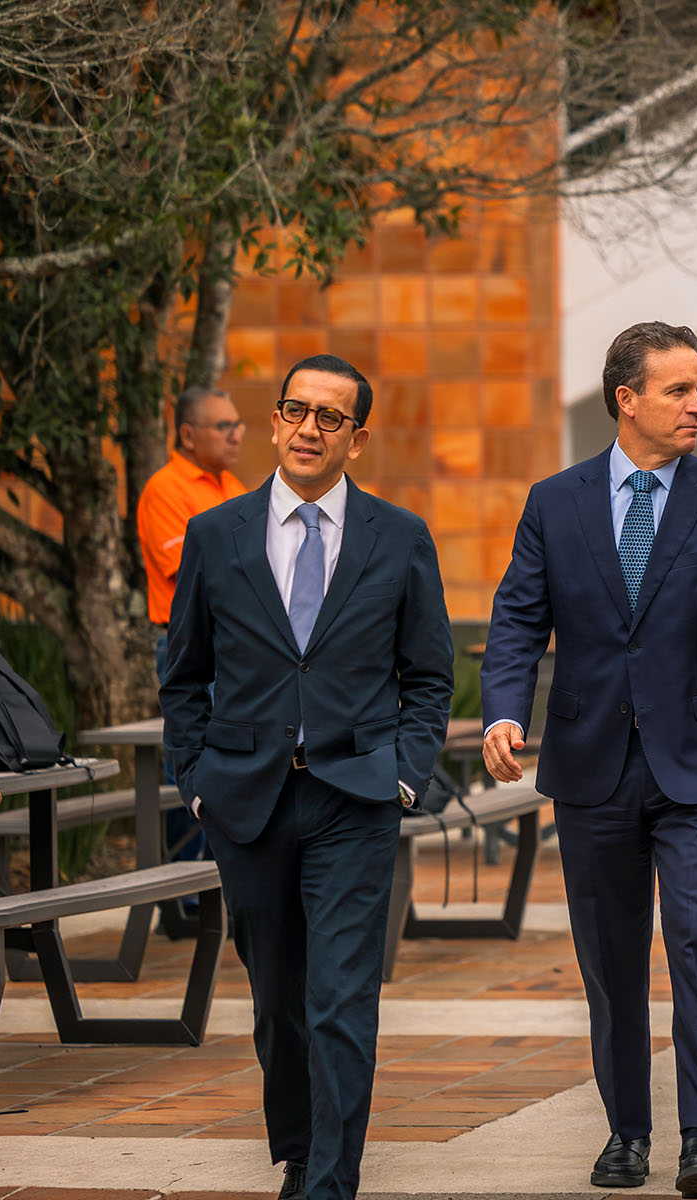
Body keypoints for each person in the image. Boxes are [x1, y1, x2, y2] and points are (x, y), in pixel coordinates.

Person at [479, 322, 697, 1200]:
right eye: (678, 390)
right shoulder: (555, 500)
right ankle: (625, 1132)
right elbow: (516, 621)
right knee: (610, 959)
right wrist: (503, 713)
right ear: (627, 399)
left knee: (696, 940)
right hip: (591, 763)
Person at [162, 355, 454, 1200]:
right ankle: (298, 1145)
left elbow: (428, 676)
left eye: (331, 418)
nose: (309, 429)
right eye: (296, 411)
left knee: (339, 996)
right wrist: (197, 780)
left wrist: (403, 776)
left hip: (354, 798)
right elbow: (184, 674)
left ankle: (329, 1180)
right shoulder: (218, 535)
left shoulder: (397, 537)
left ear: (357, 439)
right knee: (277, 1001)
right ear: (277, 419)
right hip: (244, 799)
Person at [137, 385, 248, 926]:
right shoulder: (166, 489)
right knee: (191, 760)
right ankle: (184, 904)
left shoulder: (232, 486)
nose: (237, 434)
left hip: (241, 649)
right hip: (192, 646)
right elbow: (195, 577)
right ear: (187, 434)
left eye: (238, 424)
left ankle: (221, 889)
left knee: (233, 761)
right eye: (223, 425)